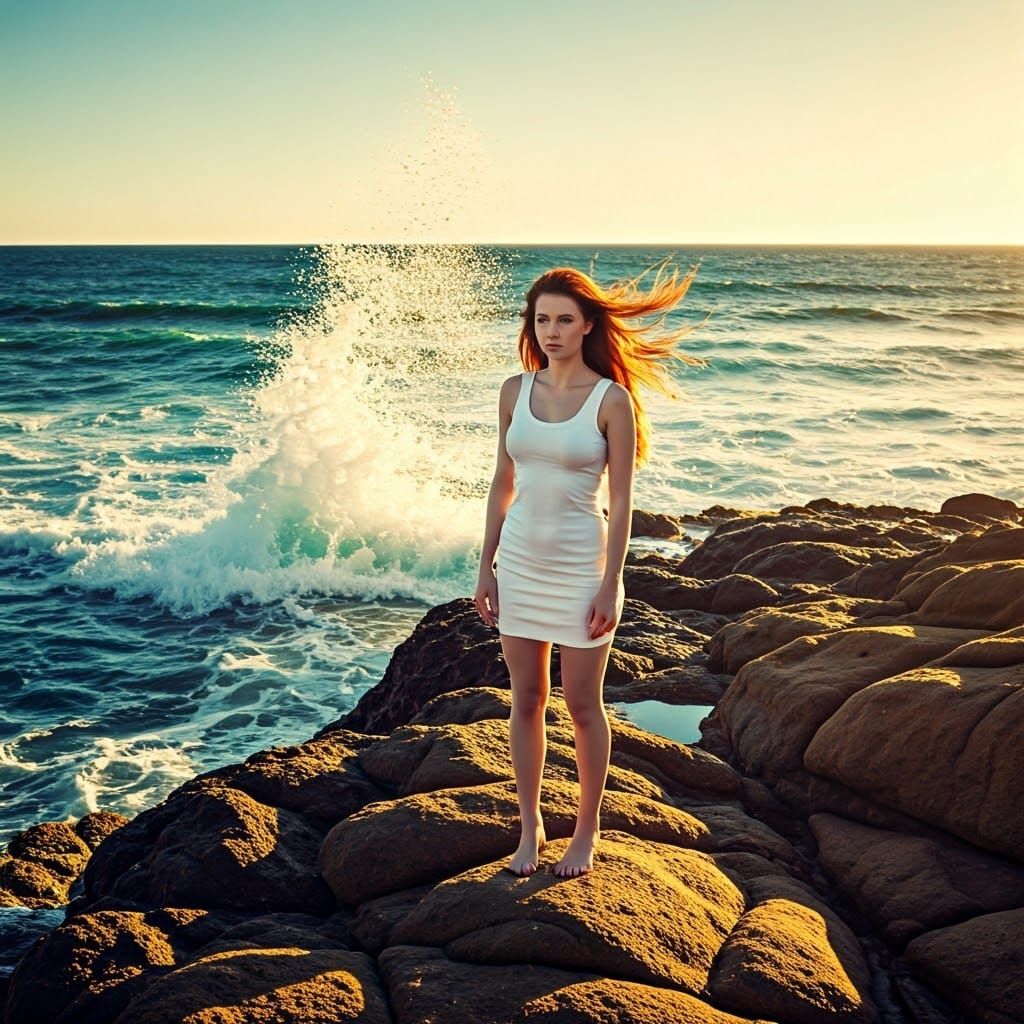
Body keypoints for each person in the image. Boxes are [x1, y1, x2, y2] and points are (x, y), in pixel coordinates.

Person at [474, 255, 707, 878]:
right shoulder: (513, 391)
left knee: (582, 704)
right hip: (519, 561)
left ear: (585, 327)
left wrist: (612, 583)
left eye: (563, 320)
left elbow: (623, 499)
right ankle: (529, 829)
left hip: (583, 566)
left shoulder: (612, 401)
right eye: (541, 319)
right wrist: (485, 567)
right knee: (525, 698)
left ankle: (586, 830)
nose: (550, 331)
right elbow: (502, 481)